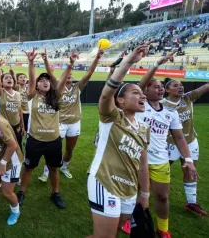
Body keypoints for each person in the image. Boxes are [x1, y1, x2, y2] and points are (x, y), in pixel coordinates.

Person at [86, 44, 151, 238]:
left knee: (112, 231)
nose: (143, 96)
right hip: (104, 182)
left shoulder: (144, 129)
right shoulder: (112, 117)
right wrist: (129, 61)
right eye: (136, 92)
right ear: (120, 101)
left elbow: (143, 164)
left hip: (130, 190)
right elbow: (106, 94)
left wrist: (145, 194)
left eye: (142, 93)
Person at [135, 51, 198, 238]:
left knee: (162, 196)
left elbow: (179, 138)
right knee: (135, 193)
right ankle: (132, 221)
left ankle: (163, 229)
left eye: (161, 86)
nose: (160, 89)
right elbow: (142, 83)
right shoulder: (140, 105)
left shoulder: (171, 113)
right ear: (145, 90)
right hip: (136, 159)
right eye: (154, 86)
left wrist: (188, 159)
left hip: (160, 160)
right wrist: (157, 63)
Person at [15, 48, 76, 209]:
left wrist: (70, 64)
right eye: (42, 80)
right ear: (36, 85)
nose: (45, 82)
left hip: (53, 141)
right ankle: (22, 192)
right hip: (35, 140)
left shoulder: (56, 97)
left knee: (54, 168)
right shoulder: (32, 96)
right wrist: (30, 62)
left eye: (47, 80)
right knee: (28, 168)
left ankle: (55, 193)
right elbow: (31, 78)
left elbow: (61, 81)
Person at [39, 49, 103, 181]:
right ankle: (46, 171)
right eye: (67, 74)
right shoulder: (58, 86)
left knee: (69, 149)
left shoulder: (77, 87)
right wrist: (45, 59)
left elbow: (89, 73)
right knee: (53, 149)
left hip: (74, 123)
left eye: (71, 75)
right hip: (60, 123)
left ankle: (64, 167)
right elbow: (50, 74)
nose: (69, 76)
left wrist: (97, 58)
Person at [162, 78, 209, 217]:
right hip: (170, 145)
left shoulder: (188, 98)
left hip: (190, 142)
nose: (180, 87)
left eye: (181, 85)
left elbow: (204, 88)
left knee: (190, 171)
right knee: (158, 171)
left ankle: (191, 202)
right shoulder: (162, 104)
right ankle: (140, 192)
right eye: (175, 85)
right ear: (167, 90)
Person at [0, 59, 25, 149]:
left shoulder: (18, 94)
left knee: (18, 148)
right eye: (6, 78)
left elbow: (19, 110)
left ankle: (17, 163)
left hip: (16, 127)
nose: (9, 79)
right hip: (3, 127)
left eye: (10, 78)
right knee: (4, 149)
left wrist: (22, 125)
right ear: (2, 83)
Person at [14, 72, 29, 150]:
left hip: (29, 113)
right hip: (20, 113)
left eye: (24, 77)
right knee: (20, 132)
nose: (23, 78)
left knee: (29, 131)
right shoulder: (17, 87)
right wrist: (13, 74)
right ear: (17, 81)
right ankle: (18, 147)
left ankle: (26, 142)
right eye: (21, 77)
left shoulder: (29, 87)